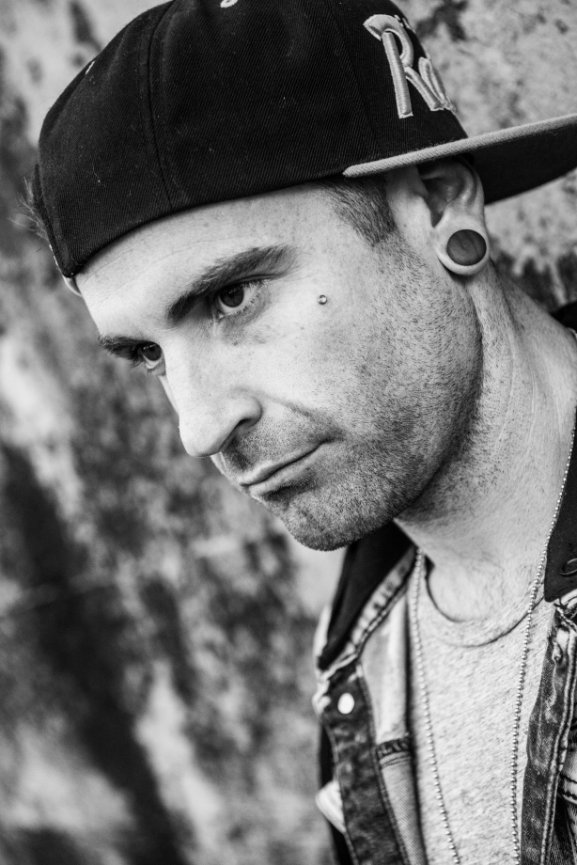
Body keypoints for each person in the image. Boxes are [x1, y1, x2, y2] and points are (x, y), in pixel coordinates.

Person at [29, 0, 577, 862]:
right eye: (147, 354)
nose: (199, 426)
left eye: (231, 296)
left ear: (437, 205)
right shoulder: (361, 660)